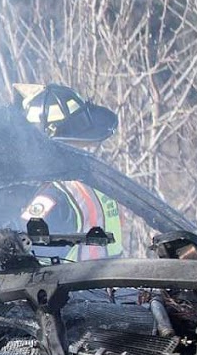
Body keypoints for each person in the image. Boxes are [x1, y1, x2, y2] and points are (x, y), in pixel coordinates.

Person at [12, 82, 124, 260]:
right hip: (110, 284)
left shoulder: (56, 195)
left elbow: (29, 255)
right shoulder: (99, 182)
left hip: (76, 286)